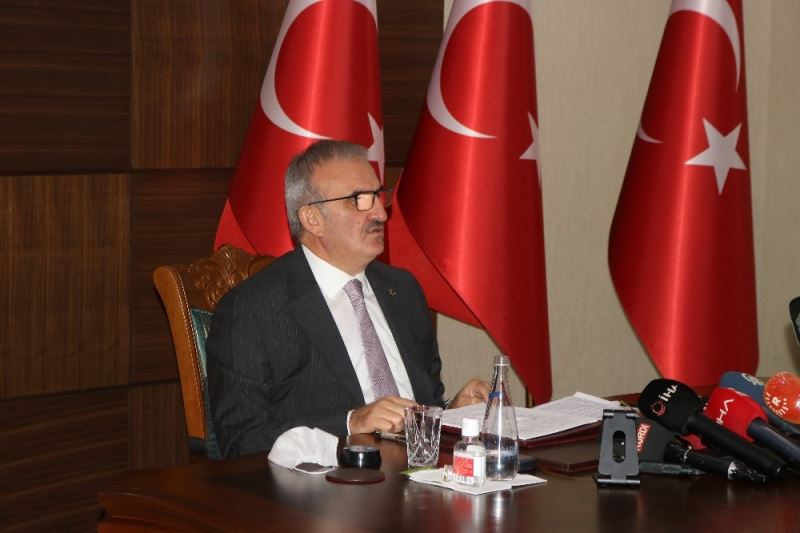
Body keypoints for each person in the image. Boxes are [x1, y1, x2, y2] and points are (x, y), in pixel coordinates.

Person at [207, 140, 489, 458]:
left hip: (422, 477)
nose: (380, 213)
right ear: (312, 219)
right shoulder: (252, 309)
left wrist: (452, 413)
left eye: (378, 196)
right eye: (359, 200)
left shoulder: (403, 289)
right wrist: (350, 423)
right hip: (329, 482)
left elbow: (423, 405)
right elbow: (241, 441)